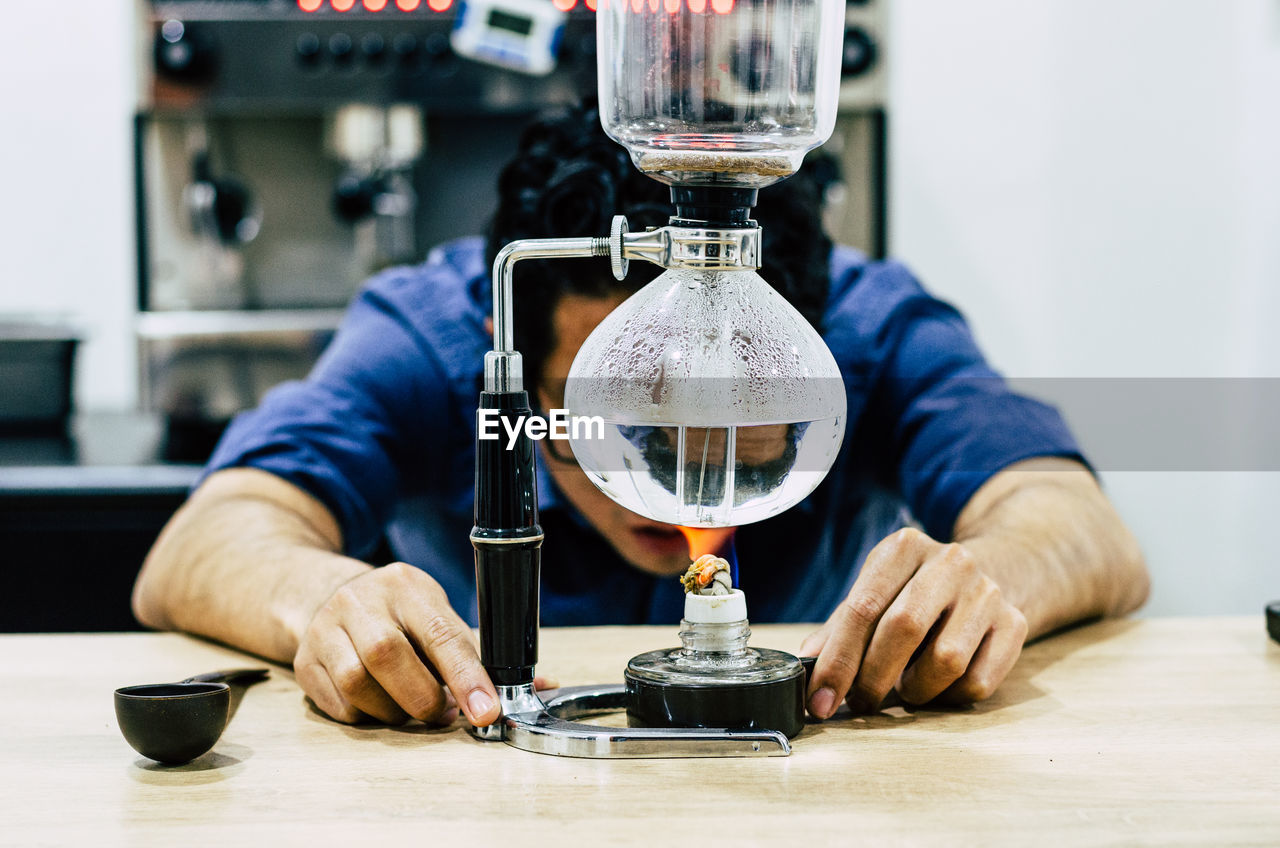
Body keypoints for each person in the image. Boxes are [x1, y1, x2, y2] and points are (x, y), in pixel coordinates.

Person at [133, 106, 1149, 729]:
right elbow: (202, 544)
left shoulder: (865, 325)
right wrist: (324, 600)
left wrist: (988, 580)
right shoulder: (436, 336)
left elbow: (1077, 525)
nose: (682, 475)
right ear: (520, 365)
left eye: (734, 408)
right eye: (620, 412)